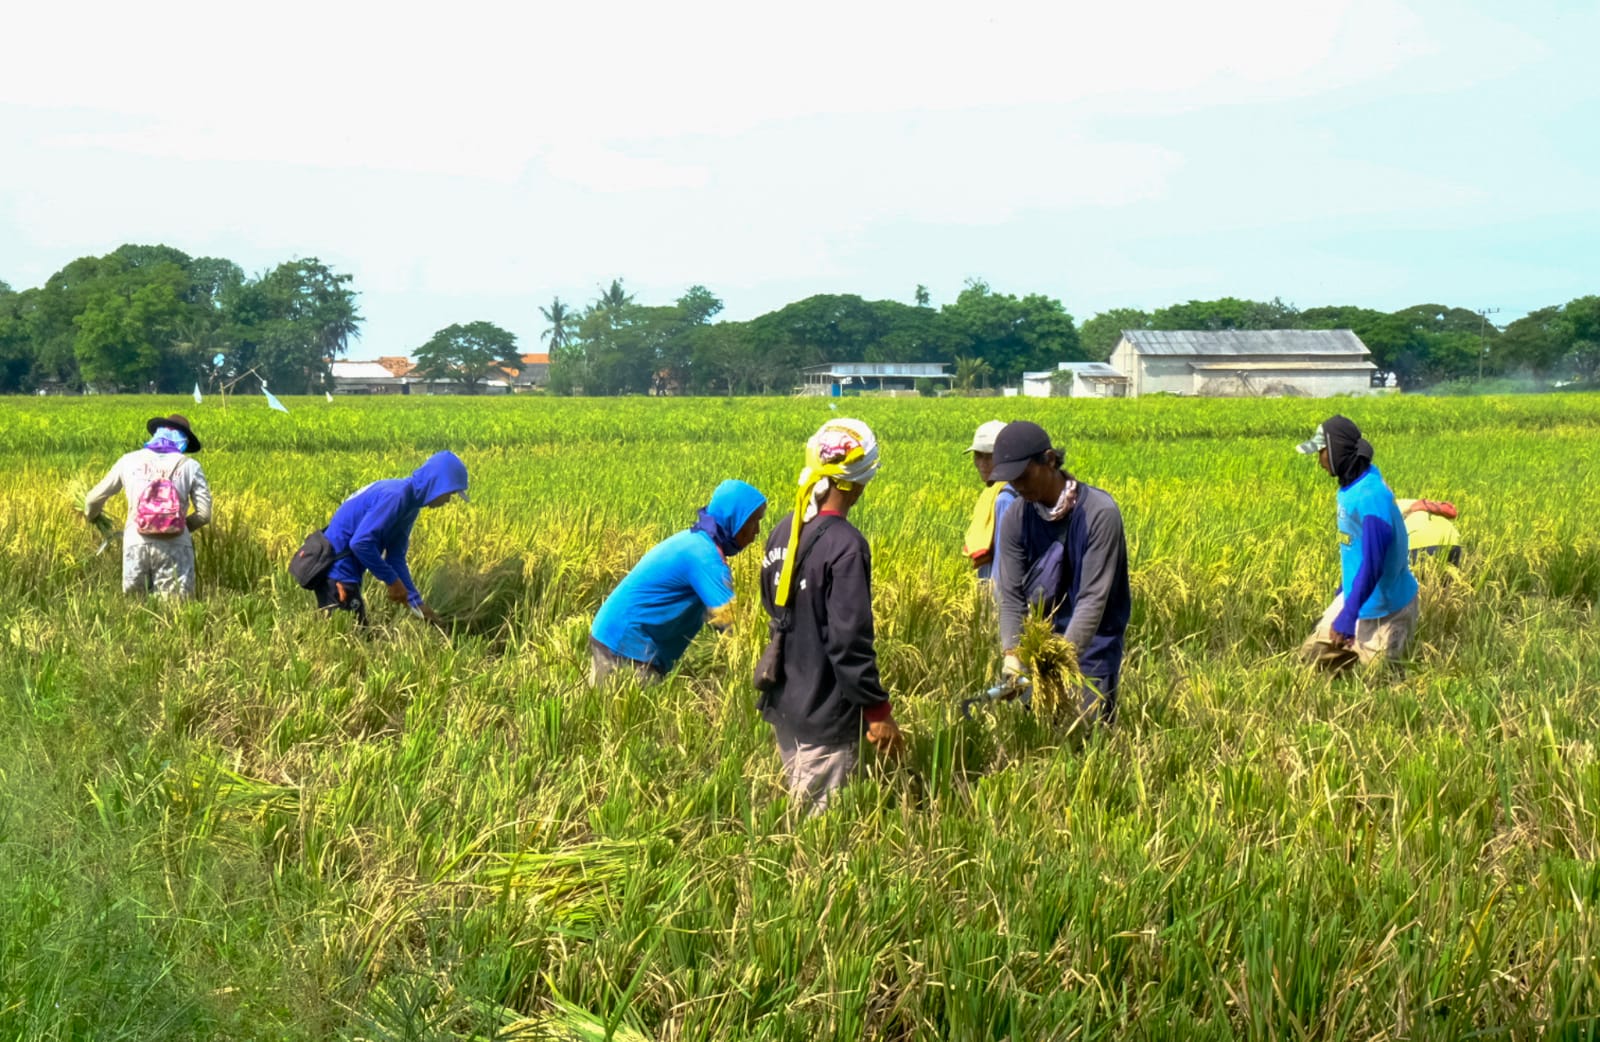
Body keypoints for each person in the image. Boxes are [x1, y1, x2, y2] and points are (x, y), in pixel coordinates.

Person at [757, 418, 904, 813]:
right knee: (819, 841)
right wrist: (877, 711)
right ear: (859, 481)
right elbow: (848, 641)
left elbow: (773, 607)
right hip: (825, 713)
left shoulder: (784, 531)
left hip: (786, 704)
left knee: (797, 805)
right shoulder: (846, 546)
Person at [990, 420, 1131, 727]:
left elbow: (1093, 598)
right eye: (1012, 481)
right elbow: (1011, 595)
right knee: (1041, 736)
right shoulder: (1017, 516)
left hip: (1092, 643)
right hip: (1041, 646)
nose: (1019, 486)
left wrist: (1060, 659)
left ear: (1050, 460)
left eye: (1024, 476)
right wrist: (1013, 655)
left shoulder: (1098, 514)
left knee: (1088, 734)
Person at [589, 480, 768, 685]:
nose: (757, 531)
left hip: (613, 635)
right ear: (733, 519)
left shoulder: (696, 541)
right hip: (626, 647)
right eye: (753, 522)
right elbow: (730, 622)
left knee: (607, 714)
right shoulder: (705, 558)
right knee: (622, 716)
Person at [1296, 416, 1420, 668]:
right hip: (1358, 597)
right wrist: (1346, 589)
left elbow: (1374, 562)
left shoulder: (1370, 497)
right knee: (1310, 663)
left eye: (1321, 451)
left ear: (1336, 450)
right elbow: (1357, 544)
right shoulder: (1353, 486)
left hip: (1387, 610)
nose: (1318, 460)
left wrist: (1348, 615)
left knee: (1379, 683)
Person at [314, 451, 468, 625]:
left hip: (346, 572)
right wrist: (392, 581)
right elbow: (360, 543)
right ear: (436, 484)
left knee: (355, 634)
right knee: (352, 638)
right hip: (337, 571)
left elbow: (395, 557)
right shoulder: (397, 496)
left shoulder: (410, 505)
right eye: (449, 493)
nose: (448, 500)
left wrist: (416, 602)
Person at [82, 413, 213, 598]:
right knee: (174, 612)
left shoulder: (128, 460)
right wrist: (177, 527)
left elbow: (92, 499)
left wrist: (93, 517)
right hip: (176, 545)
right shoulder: (190, 466)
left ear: (157, 434)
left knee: (135, 608)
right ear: (183, 441)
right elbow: (204, 514)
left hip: (136, 542)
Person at [961, 419, 1019, 582]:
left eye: (989, 457)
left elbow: (1004, 559)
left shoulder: (1005, 499)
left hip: (999, 595)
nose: (981, 464)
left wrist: (991, 598)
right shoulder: (993, 492)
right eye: (978, 456)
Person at [1397, 498, 1463, 567]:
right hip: (1453, 541)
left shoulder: (1388, 507)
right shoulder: (1416, 503)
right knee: (1447, 576)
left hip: (1420, 542)